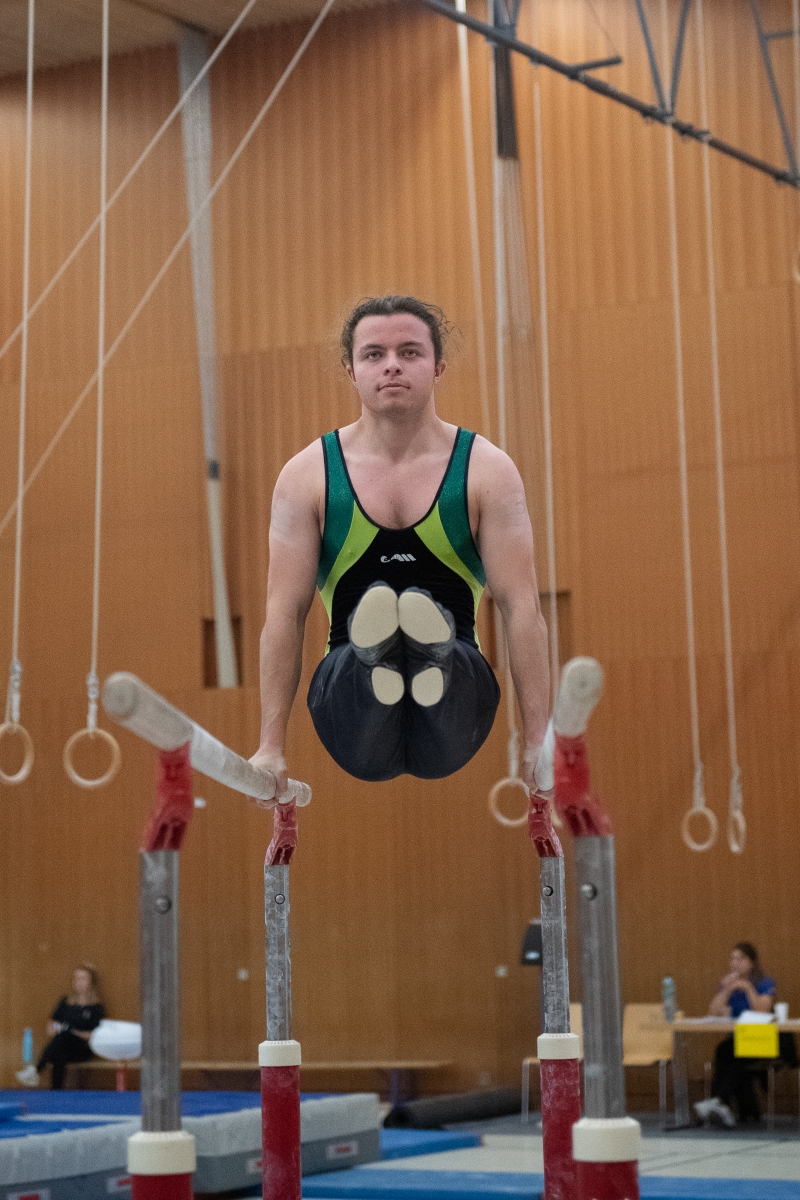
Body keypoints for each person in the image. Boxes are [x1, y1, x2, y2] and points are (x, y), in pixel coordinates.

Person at [250, 295, 551, 793]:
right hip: (347, 697)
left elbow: (521, 607)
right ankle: (378, 657)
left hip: (458, 696)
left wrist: (540, 739)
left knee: (453, 673)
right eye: (374, 354)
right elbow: (284, 612)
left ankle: (427, 655)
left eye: (410, 352)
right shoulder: (308, 476)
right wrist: (269, 745)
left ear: (438, 367)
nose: (392, 364)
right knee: (353, 676)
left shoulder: (486, 469)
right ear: (351, 371)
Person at [693, 942, 785, 1126]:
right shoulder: (729, 985)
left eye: (740, 959)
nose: (735, 963)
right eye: (732, 959)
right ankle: (722, 1105)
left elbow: (763, 1010)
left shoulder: (764, 983)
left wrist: (748, 988)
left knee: (737, 1054)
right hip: (736, 1039)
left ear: (751, 962)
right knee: (723, 1050)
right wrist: (726, 990)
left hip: (760, 1040)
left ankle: (718, 1101)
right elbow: (713, 1011)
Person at [16, 963, 105, 1089]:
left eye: (83, 978)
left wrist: (72, 1031)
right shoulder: (65, 1002)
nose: (79, 982)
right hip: (62, 1045)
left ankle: (36, 1070)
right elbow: (51, 1027)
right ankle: (56, 1091)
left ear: (91, 982)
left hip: (82, 1048)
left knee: (63, 1037)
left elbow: (95, 1035)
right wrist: (56, 1028)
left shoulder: (96, 1007)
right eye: (76, 978)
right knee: (59, 1051)